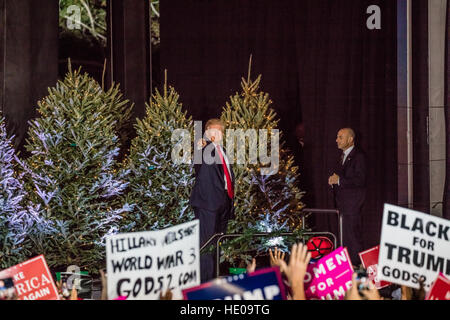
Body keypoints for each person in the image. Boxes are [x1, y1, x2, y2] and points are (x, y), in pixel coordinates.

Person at [190, 118, 235, 283]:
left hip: (223, 202)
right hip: (207, 204)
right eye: (212, 131)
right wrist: (199, 145)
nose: (215, 134)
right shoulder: (205, 149)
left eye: (219, 131)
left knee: (216, 245)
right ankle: (205, 284)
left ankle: (213, 279)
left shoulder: (222, 150)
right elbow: (198, 162)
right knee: (206, 246)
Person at [328, 128, 366, 264]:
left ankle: (356, 269)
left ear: (350, 139)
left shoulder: (359, 156)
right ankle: (346, 267)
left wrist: (339, 180)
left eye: (340, 137)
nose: (337, 140)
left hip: (353, 205)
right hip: (342, 205)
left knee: (353, 238)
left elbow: (360, 180)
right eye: (337, 137)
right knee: (344, 238)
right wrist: (334, 181)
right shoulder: (342, 156)